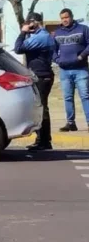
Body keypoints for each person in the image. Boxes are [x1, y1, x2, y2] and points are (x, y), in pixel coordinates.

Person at [14, 12, 56, 150]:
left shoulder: (41, 37)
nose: (27, 25)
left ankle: (44, 141)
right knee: (41, 107)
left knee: (42, 108)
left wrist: (23, 32)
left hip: (42, 76)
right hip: (40, 75)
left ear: (35, 23)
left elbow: (19, 48)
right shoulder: (39, 36)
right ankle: (42, 139)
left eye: (29, 23)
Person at [53, 8, 89, 132]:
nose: (65, 20)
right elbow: (53, 49)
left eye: (67, 17)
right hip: (64, 70)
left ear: (72, 17)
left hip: (81, 69)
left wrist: (81, 56)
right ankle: (70, 123)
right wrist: (57, 60)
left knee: (85, 96)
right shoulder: (57, 33)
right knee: (67, 97)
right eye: (62, 18)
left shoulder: (83, 29)